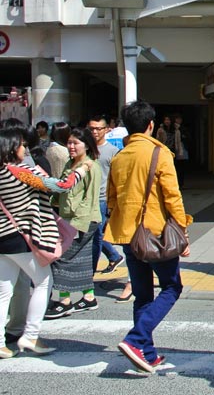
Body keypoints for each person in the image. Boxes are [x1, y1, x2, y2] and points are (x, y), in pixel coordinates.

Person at [105, 100, 193, 374]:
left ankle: (148, 352)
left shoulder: (120, 157)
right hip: (155, 232)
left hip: (129, 235)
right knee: (171, 287)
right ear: (151, 125)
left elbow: (111, 200)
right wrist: (182, 229)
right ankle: (135, 340)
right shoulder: (159, 152)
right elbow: (172, 195)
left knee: (142, 295)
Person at [0, 127, 86, 356]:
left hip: (2, 238)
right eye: (21, 145)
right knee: (44, 281)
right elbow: (61, 186)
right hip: (21, 237)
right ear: (11, 147)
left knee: (3, 291)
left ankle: (0, 343)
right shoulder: (19, 171)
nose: (24, 149)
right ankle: (30, 336)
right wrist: (82, 170)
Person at [44, 128, 103, 319]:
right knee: (82, 259)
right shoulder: (71, 163)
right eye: (69, 142)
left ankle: (64, 301)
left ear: (86, 145)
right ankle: (89, 297)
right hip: (70, 218)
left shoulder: (90, 166)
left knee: (62, 258)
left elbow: (90, 199)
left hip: (82, 220)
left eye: (75, 143)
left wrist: (77, 224)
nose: (71, 146)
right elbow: (63, 189)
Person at [87, 115, 123, 277]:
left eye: (98, 128)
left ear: (107, 130)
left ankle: (90, 273)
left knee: (96, 236)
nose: (95, 132)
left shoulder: (113, 152)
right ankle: (114, 256)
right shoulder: (85, 149)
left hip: (102, 199)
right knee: (95, 235)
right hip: (86, 199)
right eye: (92, 128)